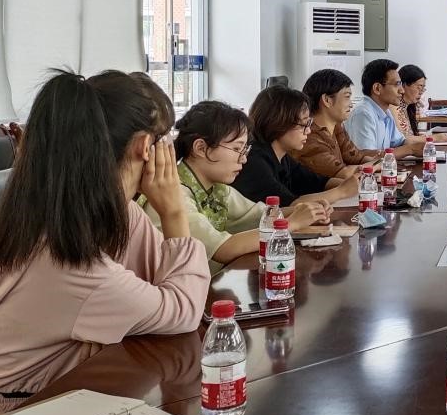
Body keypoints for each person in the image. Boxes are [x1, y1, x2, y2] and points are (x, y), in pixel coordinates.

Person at [0, 70, 209, 415]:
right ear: (145, 147)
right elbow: (183, 308)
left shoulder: (111, 213)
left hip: (75, 391)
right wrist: (173, 212)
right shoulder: (73, 263)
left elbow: (171, 281)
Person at [148, 101, 325, 274]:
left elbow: (262, 216)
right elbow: (224, 248)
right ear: (201, 148)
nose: (244, 159)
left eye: (244, 150)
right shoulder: (172, 193)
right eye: (236, 149)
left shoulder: (218, 189)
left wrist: (305, 210)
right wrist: (292, 223)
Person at [232, 85, 360, 207]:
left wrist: (353, 184)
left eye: (309, 123)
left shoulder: (282, 156)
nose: (308, 131)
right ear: (279, 123)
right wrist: (342, 191)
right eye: (304, 125)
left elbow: (318, 182)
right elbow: (289, 205)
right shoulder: (254, 160)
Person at [294, 68, 379, 178]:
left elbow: (357, 158)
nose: (351, 104)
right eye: (347, 97)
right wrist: (379, 164)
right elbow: (343, 174)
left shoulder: (337, 126)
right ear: (327, 100)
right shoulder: (307, 136)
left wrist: (379, 160)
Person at [347, 59, 428, 158]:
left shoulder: (386, 112)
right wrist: (410, 149)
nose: (402, 91)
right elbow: (366, 156)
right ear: (377, 88)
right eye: (397, 84)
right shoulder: (363, 114)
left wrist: (427, 144)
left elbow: (400, 141)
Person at [393, 64, 427, 138]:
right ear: (404, 85)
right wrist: (434, 138)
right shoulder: (394, 107)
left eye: (423, 88)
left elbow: (409, 135)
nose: (421, 92)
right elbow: (404, 140)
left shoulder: (407, 107)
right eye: (419, 87)